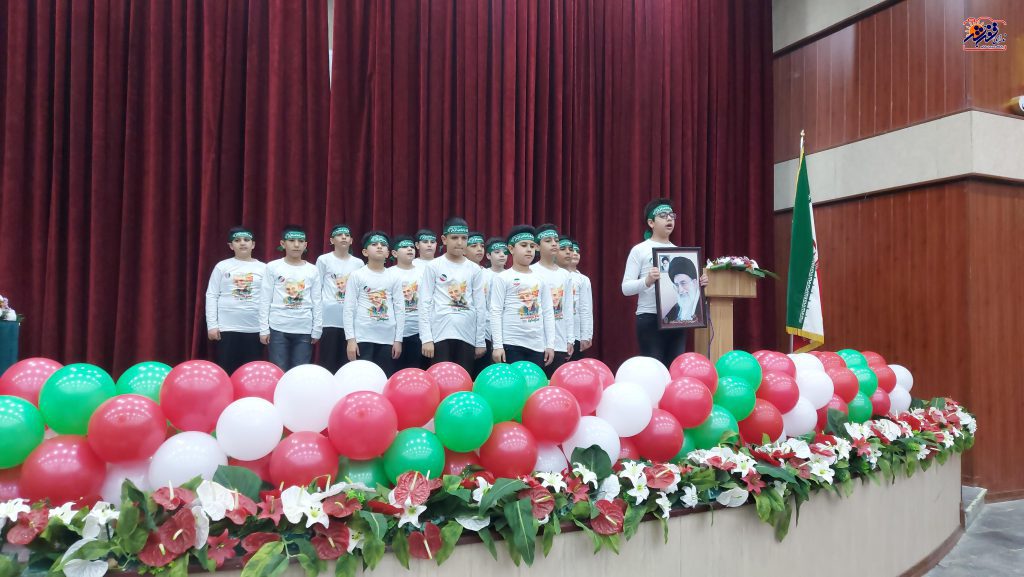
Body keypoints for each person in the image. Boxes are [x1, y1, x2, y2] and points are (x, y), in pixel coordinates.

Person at [621, 199, 708, 366]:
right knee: (653, 369)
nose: (669, 219)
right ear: (651, 223)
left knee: (674, 368)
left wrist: (699, 284)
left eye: (671, 215)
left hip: (677, 320)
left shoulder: (679, 252)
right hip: (649, 318)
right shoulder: (640, 250)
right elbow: (625, 288)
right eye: (663, 215)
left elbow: (687, 291)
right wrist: (647, 281)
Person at [418, 217, 487, 373]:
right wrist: (426, 338)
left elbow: (480, 306)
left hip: (467, 334)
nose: (459, 242)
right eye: (454, 238)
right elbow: (424, 303)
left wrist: (480, 340)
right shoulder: (433, 266)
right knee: (441, 379)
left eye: (464, 238)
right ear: (444, 239)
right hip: (440, 334)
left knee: (463, 379)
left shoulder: (474, 269)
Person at [259, 225, 323, 371]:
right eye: (292, 240)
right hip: (278, 328)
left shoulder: (312, 270)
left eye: (300, 241)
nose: (296, 245)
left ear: (305, 245)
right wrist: (264, 329)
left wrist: (317, 328)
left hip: (304, 329)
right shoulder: (272, 267)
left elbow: (317, 301)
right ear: (283, 243)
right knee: (279, 369)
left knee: (299, 371)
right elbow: (265, 299)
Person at [490, 226, 555, 366]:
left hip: (537, 345)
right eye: (524, 245)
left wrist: (550, 344)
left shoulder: (541, 278)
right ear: (511, 249)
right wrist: (497, 346)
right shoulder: (502, 278)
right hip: (511, 344)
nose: (529, 250)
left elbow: (548, 312)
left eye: (532, 246)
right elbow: (495, 312)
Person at [205, 226, 266, 374]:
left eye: (246, 240)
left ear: (253, 244)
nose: (242, 243)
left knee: (251, 372)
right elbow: (212, 295)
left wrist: (265, 328)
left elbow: (268, 299)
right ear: (231, 246)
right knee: (227, 369)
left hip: (254, 328)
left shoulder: (264, 268)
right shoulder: (222, 266)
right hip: (227, 328)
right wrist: (212, 325)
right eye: (237, 240)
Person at [343, 232, 404, 376]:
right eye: (374, 244)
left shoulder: (394, 277)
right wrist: (351, 340)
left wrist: (398, 340)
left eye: (383, 245)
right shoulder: (357, 275)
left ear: (388, 253)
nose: (379, 247)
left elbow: (400, 309)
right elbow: (348, 309)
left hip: (387, 338)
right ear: (365, 252)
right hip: (363, 336)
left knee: (384, 377)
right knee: (364, 378)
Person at [315, 224, 364, 373]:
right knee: (328, 362)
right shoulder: (323, 260)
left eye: (347, 235)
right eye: (339, 235)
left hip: (352, 321)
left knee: (349, 364)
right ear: (331, 240)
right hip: (329, 320)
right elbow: (317, 289)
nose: (343, 237)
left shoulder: (358, 263)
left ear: (351, 241)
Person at [530, 224, 575, 377]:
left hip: (559, 340)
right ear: (537, 246)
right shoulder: (532, 271)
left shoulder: (565, 275)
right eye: (548, 241)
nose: (554, 244)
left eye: (556, 240)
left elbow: (567, 309)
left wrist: (570, 339)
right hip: (536, 341)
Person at [389, 235, 425, 371]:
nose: (409, 249)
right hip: (393, 333)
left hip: (418, 332)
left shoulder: (423, 273)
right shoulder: (389, 273)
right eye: (404, 247)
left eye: (411, 247)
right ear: (394, 253)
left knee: (415, 371)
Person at [465, 231, 490, 376]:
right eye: (474, 246)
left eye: (482, 246)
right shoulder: (459, 272)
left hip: (485, 333)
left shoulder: (490, 275)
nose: (479, 249)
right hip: (464, 331)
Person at [566, 239, 594, 358]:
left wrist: (587, 334)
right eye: (572, 250)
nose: (575, 253)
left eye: (578, 251)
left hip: (576, 332)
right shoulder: (557, 275)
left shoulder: (583, 279)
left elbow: (586, 308)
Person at [663, 256, 700, 324]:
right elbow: (665, 322)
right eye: (677, 285)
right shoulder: (676, 308)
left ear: (694, 283)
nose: (680, 291)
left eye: (683, 283)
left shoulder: (703, 306)